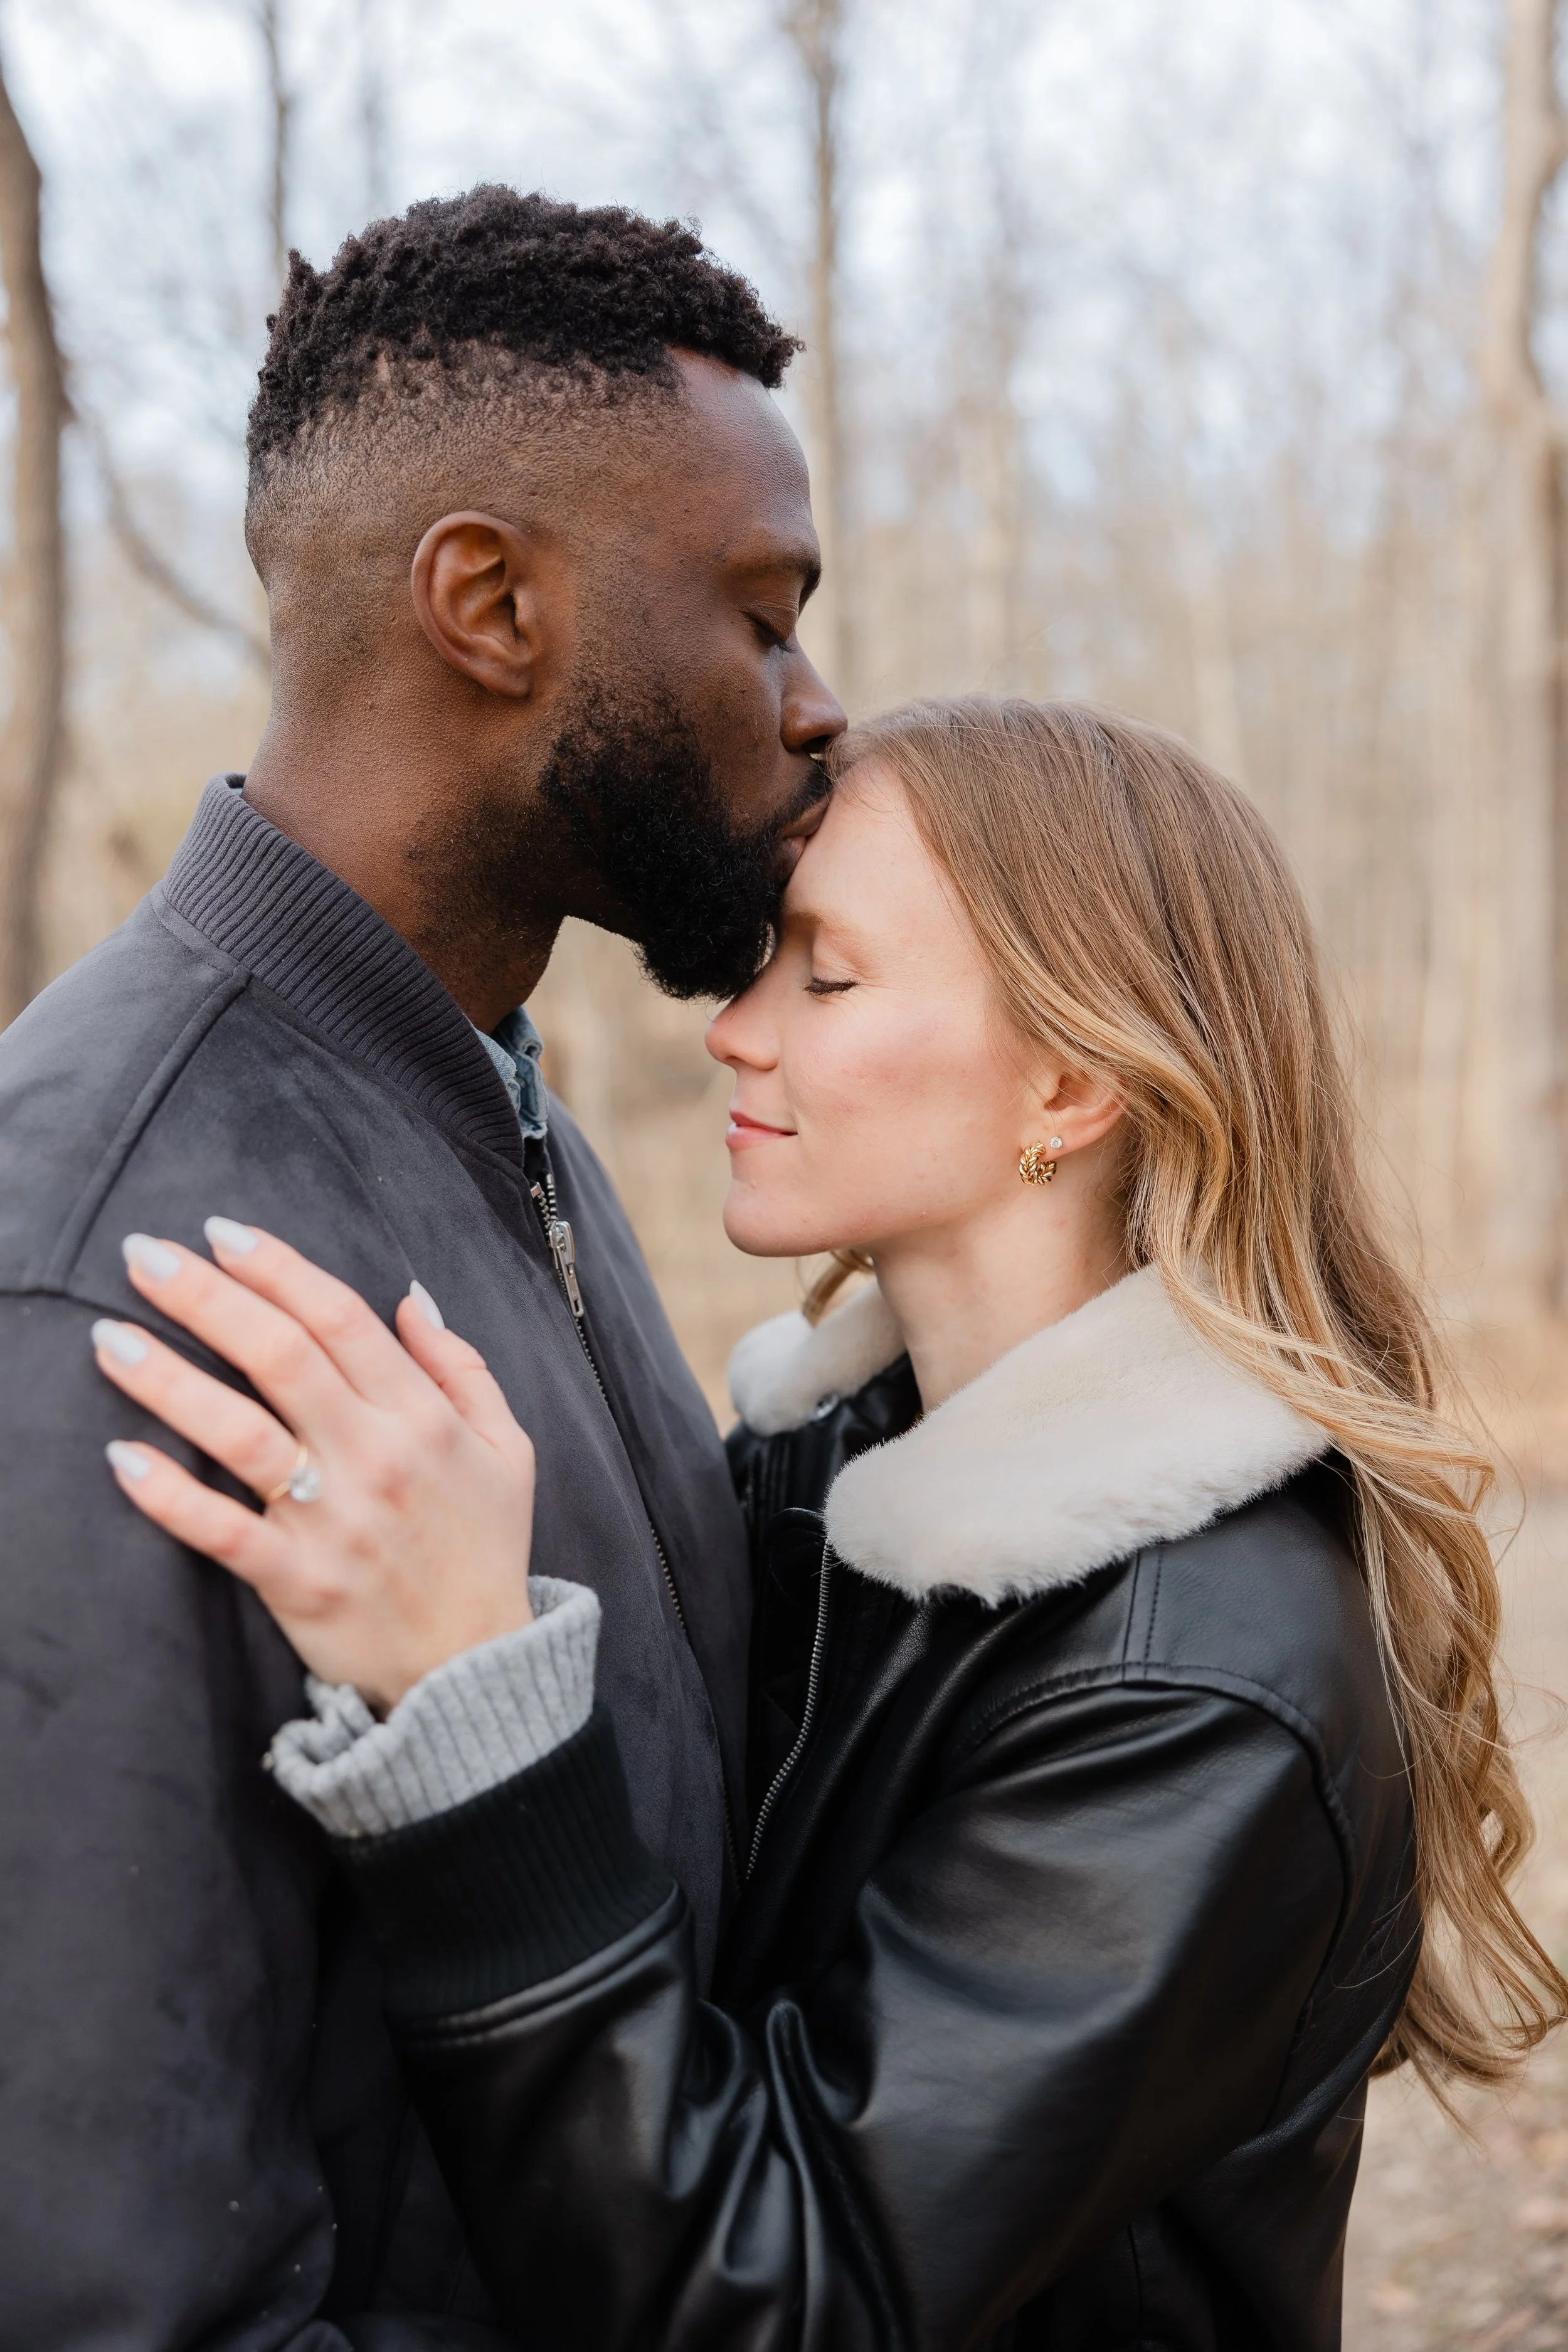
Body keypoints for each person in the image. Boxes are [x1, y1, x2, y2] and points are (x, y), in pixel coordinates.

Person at [95, 697, 1567, 2349]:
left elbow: (772, 2295)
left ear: (1071, 1081)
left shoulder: (1190, 1683)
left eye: (827, 972)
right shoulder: (835, 1468)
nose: (731, 1028)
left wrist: (471, 1723)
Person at [0, 188, 843, 2347]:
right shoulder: (103, 1264)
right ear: (489, 602)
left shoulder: (497, 1098)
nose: (812, 696)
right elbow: (118, 2286)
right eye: (759, 612)